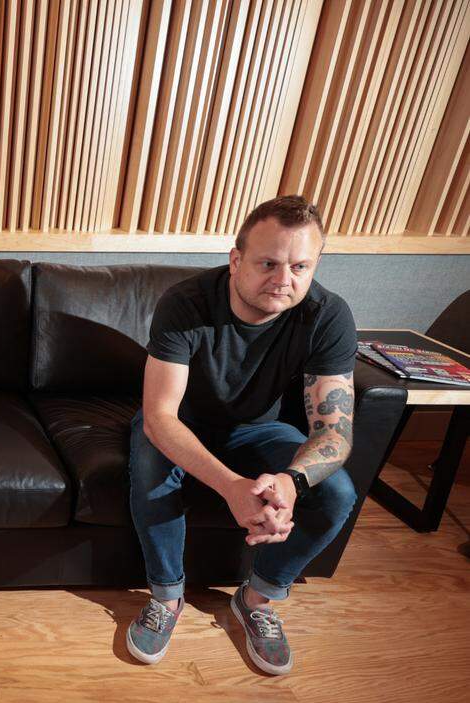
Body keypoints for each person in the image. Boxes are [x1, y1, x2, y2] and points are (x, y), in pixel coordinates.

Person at [125, 195, 358, 676]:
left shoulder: (327, 315)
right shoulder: (186, 303)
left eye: (300, 266)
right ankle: (167, 599)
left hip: (260, 429)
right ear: (236, 261)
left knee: (336, 491)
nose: (283, 279)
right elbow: (159, 417)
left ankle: (257, 600)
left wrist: (291, 482)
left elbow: (335, 431)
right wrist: (232, 486)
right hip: (182, 423)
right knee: (150, 466)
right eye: (268, 263)